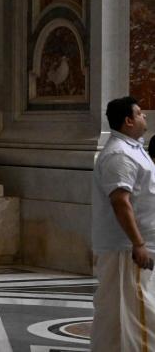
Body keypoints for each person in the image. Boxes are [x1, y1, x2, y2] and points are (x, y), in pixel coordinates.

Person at [91, 96, 155, 351]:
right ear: (128, 120)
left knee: (116, 314)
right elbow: (121, 201)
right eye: (140, 113)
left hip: (130, 247)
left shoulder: (133, 149)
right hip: (128, 250)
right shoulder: (120, 154)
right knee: (141, 314)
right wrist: (138, 243)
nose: (145, 117)